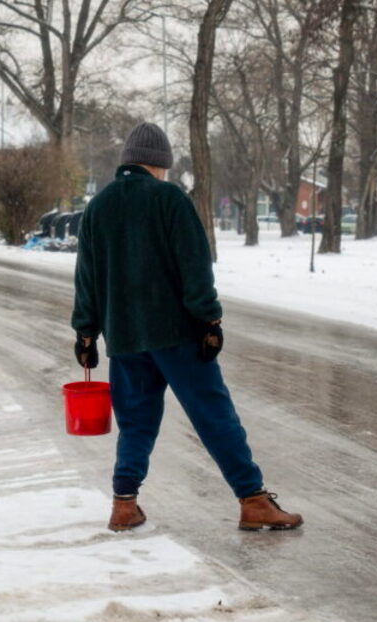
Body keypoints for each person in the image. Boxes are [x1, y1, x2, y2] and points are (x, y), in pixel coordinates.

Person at [71, 122, 303, 533]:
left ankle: (124, 505)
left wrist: (86, 333)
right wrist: (210, 319)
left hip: (124, 338)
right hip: (176, 334)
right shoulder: (169, 198)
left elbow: (86, 278)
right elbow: (195, 265)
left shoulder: (98, 206)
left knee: (136, 423)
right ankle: (253, 500)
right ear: (158, 163)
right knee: (213, 415)